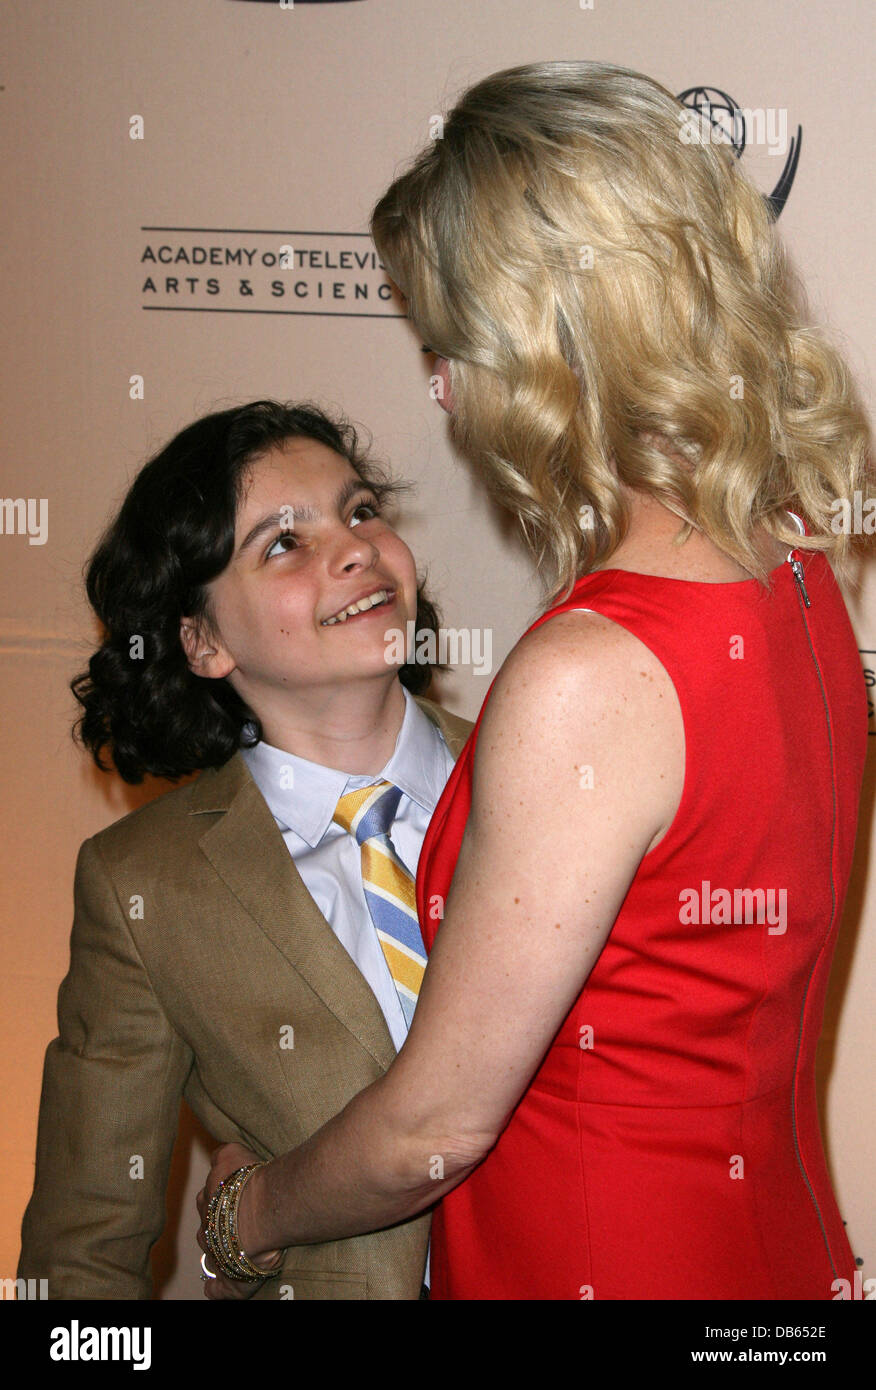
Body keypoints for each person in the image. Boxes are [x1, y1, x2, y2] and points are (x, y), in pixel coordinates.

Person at [196, 62, 872, 1300]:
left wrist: (248, 1211)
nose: (442, 388)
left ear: (548, 344)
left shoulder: (588, 675)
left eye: (447, 344)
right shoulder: (795, 578)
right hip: (772, 1254)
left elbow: (431, 1130)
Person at [17, 399, 473, 1300]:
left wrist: (244, 1221)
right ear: (204, 642)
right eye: (282, 544)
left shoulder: (549, 774)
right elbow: (85, 1251)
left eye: (361, 509)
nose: (353, 548)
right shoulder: (142, 887)